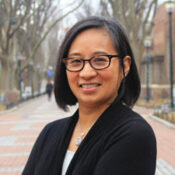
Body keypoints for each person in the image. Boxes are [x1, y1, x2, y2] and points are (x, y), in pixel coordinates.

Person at [22, 16, 157, 175]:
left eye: (100, 60)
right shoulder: (50, 133)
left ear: (125, 66)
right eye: (76, 61)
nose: (86, 73)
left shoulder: (134, 135)